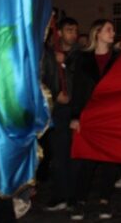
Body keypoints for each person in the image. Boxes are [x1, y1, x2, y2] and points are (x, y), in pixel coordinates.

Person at [69, 19, 120, 220]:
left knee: (109, 161)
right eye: (109, 29)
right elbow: (78, 90)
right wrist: (75, 116)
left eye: (113, 30)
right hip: (89, 116)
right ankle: (79, 201)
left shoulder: (119, 58)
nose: (113, 32)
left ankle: (104, 200)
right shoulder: (83, 58)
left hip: (112, 116)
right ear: (97, 33)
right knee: (86, 161)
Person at [43, 17, 81, 212]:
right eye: (68, 30)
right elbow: (43, 77)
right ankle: (60, 194)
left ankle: (72, 195)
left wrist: (65, 64)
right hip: (55, 110)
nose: (73, 34)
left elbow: (79, 79)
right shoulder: (48, 54)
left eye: (75, 30)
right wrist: (54, 93)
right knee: (58, 155)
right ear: (58, 33)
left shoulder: (79, 54)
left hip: (73, 110)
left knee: (73, 155)